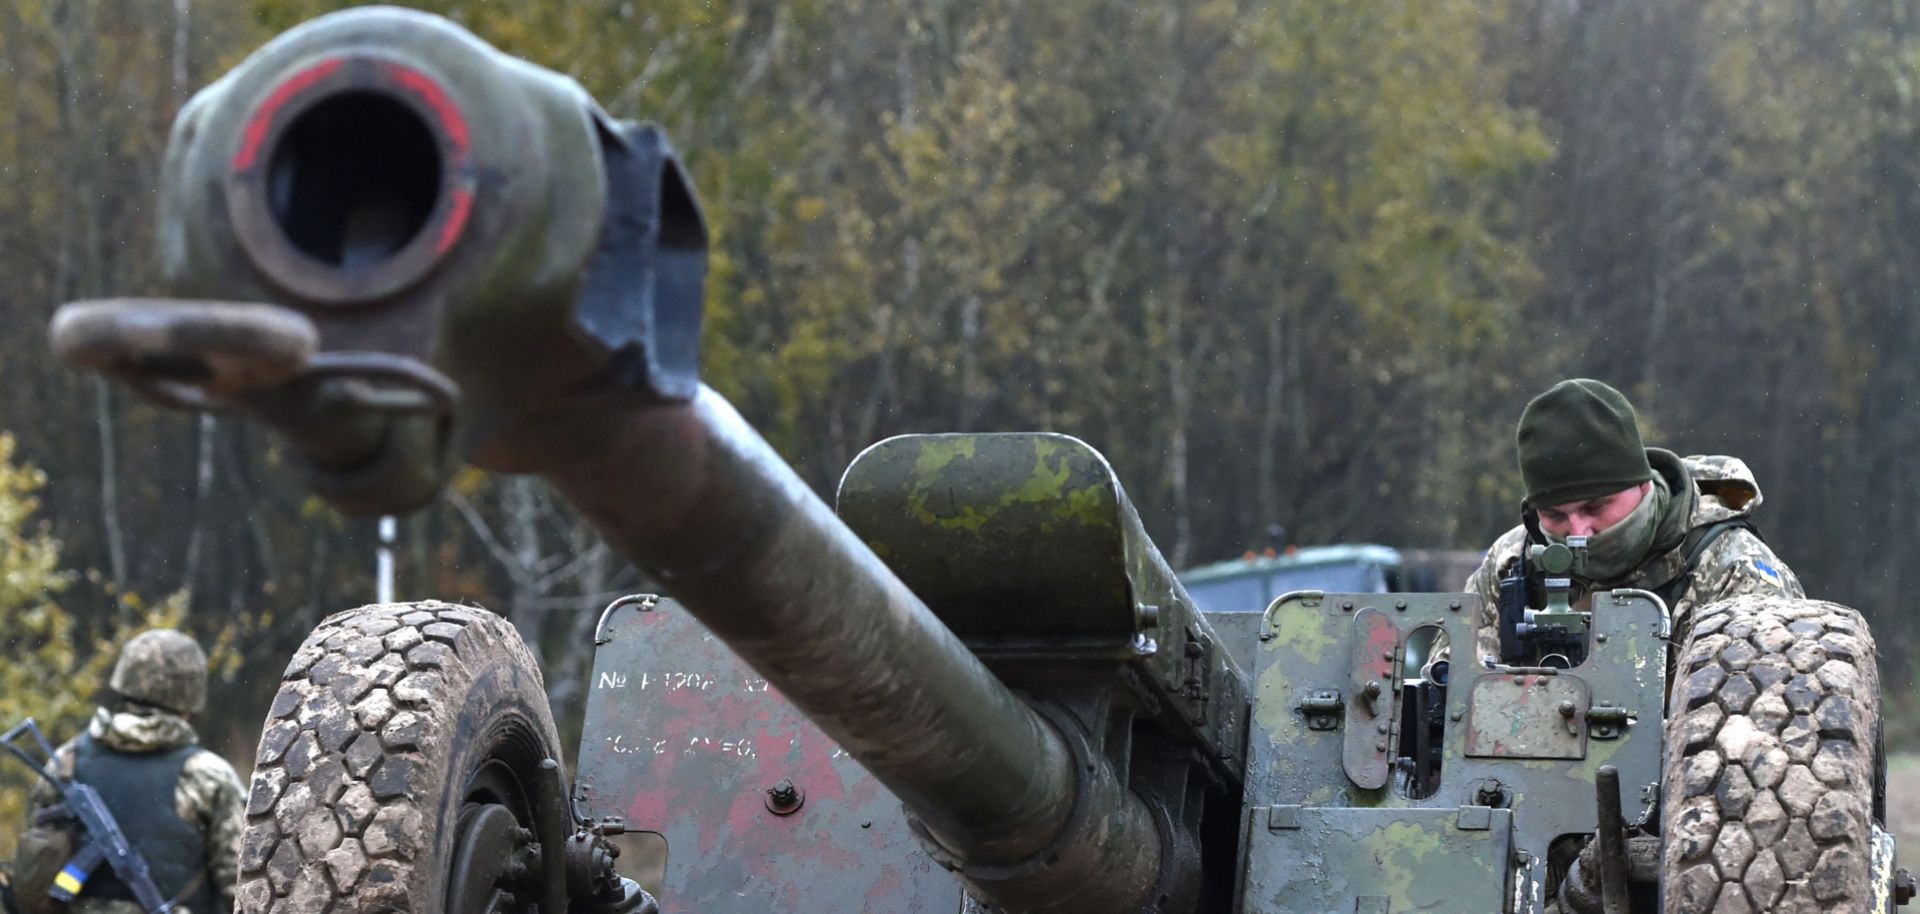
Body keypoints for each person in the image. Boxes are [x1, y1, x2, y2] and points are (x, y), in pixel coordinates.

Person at [1465, 378, 1803, 667]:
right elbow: (1453, 697)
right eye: (1555, 515)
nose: (1579, 532)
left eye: (1596, 507)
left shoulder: (1731, 571)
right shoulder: (1510, 566)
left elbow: (1762, 717)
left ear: (1643, 485)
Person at [23, 630, 245, 914]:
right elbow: (241, 886)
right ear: (190, 694)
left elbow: (33, 868)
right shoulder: (209, 777)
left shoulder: (66, 762)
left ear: (124, 681)